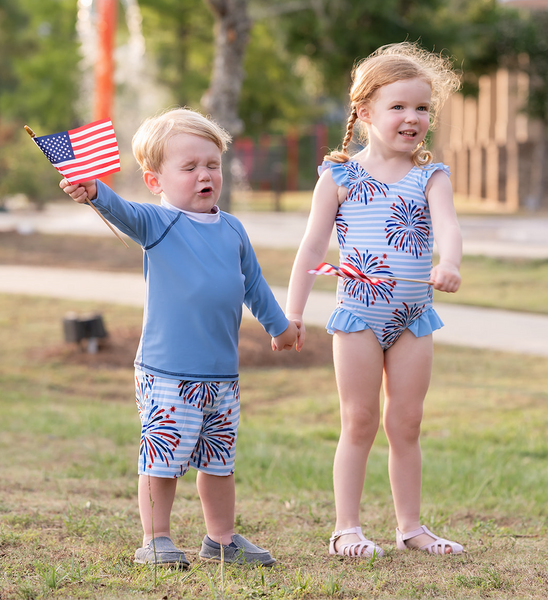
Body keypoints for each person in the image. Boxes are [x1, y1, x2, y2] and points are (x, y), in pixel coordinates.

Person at [61, 108, 298, 568]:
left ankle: (221, 539)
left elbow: (253, 284)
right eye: (188, 168)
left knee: (218, 462)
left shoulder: (232, 229)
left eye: (211, 164)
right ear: (156, 181)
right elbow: (120, 210)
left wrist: (281, 327)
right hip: (167, 373)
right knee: (162, 460)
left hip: (221, 377)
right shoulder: (157, 223)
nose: (204, 175)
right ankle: (156, 538)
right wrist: (94, 191)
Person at [283, 42, 463, 557]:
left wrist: (448, 264)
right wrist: (292, 313)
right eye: (399, 107)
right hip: (358, 316)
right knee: (359, 420)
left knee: (406, 421)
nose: (413, 118)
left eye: (422, 108)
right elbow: (311, 249)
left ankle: (411, 527)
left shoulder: (432, 176)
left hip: (413, 317)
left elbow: (449, 229)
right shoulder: (339, 176)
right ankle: (347, 529)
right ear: (364, 112)